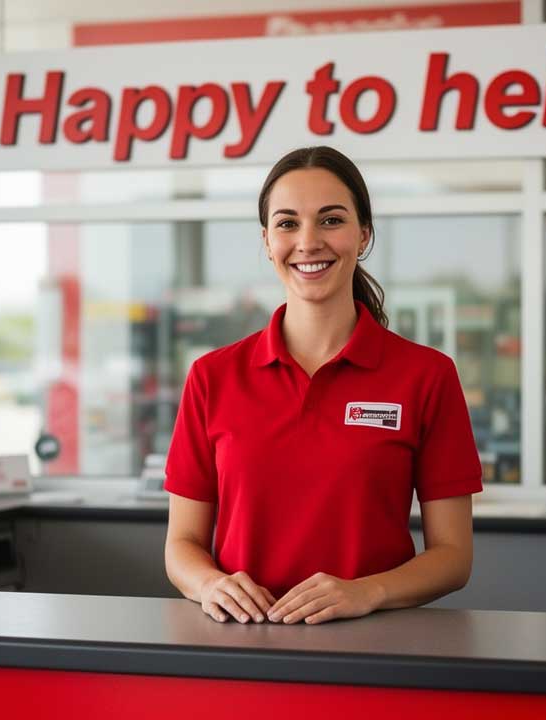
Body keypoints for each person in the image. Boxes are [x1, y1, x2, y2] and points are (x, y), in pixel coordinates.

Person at [163, 146, 482, 625]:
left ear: (364, 234)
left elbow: (454, 556)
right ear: (267, 241)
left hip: (376, 650)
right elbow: (181, 545)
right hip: (240, 653)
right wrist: (211, 584)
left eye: (331, 220)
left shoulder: (427, 376)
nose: (308, 241)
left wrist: (366, 592)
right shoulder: (213, 377)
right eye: (288, 223)